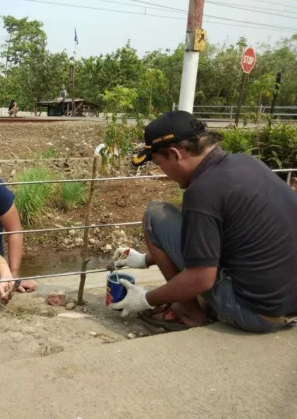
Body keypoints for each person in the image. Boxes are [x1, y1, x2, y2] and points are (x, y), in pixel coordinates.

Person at [109, 110, 297, 333]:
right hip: (287, 305)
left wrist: (146, 299)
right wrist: (147, 260)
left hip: (257, 314)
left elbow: (201, 279)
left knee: (155, 214)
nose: (164, 174)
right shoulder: (245, 163)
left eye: (160, 165)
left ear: (175, 154)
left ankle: (189, 314)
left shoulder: (203, 191)